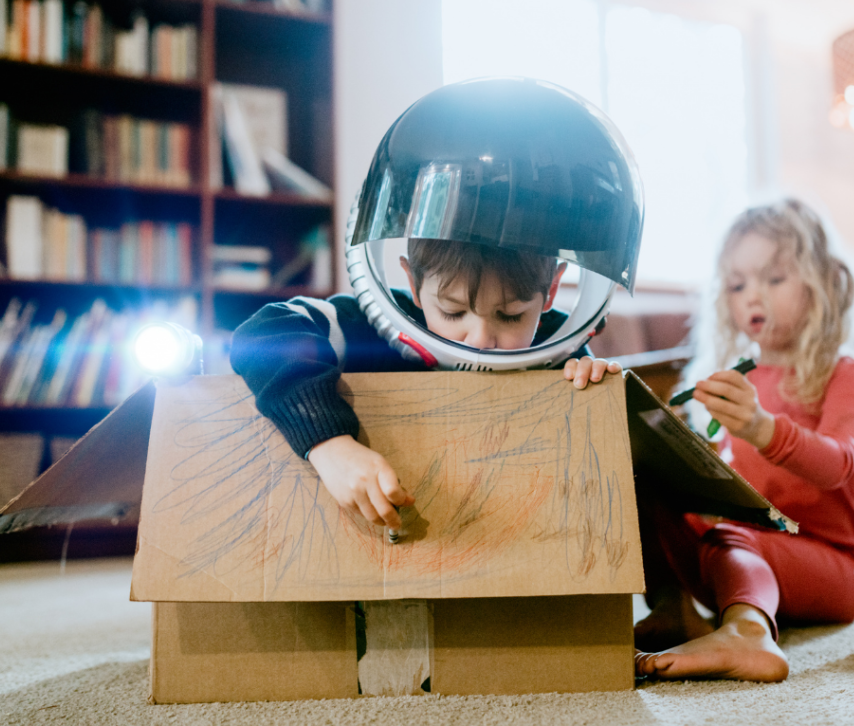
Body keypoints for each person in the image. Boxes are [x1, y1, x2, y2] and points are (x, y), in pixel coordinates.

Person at [230, 77, 644, 534]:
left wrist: (587, 382)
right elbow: (261, 335)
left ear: (549, 293)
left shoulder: (558, 348)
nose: (481, 340)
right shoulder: (368, 330)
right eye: (451, 311)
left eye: (510, 315)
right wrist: (329, 443)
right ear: (412, 283)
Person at [634, 197, 854, 683]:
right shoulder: (731, 374)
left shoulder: (848, 374)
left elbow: (838, 464)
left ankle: (749, 633)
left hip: (835, 568)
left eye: (774, 279)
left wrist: (761, 428)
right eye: (737, 284)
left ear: (824, 284)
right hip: (741, 553)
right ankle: (672, 608)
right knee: (644, 486)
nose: (753, 296)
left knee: (738, 535)